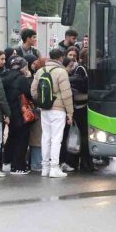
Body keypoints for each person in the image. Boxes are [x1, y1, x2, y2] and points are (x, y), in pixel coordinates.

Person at [31, 48, 74, 178]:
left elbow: (33, 91)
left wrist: (42, 102)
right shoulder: (61, 72)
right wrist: (70, 113)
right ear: (61, 58)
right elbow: (67, 94)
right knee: (56, 139)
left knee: (46, 138)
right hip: (58, 110)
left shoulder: (40, 71)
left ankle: (45, 168)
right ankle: (54, 168)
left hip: (44, 110)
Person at [1, 56, 33, 175]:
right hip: (21, 112)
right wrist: (29, 78)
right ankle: (18, 166)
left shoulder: (4, 76)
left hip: (8, 112)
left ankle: (7, 163)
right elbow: (29, 94)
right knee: (22, 138)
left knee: (11, 137)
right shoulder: (22, 79)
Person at [68, 48, 95, 171]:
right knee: (83, 135)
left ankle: (87, 161)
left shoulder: (83, 69)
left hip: (83, 107)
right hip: (81, 108)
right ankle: (84, 162)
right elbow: (79, 88)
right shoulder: (81, 69)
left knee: (85, 135)